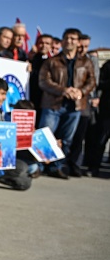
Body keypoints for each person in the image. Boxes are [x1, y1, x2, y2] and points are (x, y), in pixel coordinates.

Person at [38, 28, 96, 179]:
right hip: (52, 104)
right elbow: (44, 81)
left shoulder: (86, 62)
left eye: (73, 39)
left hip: (74, 107)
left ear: (78, 42)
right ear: (63, 41)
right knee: (45, 136)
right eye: (67, 38)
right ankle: (39, 166)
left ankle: (56, 167)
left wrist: (81, 92)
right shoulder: (52, 61)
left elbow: (91, 81)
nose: (69, 41)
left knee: (66, 140)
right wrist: (63, 90)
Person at [0, 77, 33, 189]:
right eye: (2, 94)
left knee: (27, 177)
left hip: (1, 154)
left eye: (5, 94)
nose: (4, 98)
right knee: (23, 168)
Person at [66, 33, 100, 177]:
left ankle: (75, 163)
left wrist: (81, 92)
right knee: (67, 135)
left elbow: (93, 81)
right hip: (68, 101)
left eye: (86, 46)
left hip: (84, 103)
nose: (82, 49)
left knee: (79, 136)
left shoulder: (91, 61)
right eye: (81, 46)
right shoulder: (70, 58)